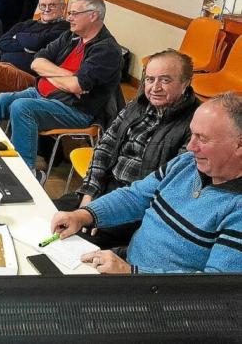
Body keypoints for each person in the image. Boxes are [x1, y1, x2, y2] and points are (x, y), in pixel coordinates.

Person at [51, 92, 242, 274]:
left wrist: (131, 273)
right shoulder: (186, 163)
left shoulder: (237, 208)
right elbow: (136, 197)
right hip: (128, 266)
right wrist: (82, 215)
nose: (191, 146)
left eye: (202, 138)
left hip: (155, 294)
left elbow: (216, 287)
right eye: (192, 135)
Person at [53, 49, 200, 248]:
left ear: (185, 83)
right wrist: (89, 194)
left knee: (77, 243)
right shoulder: (136, 106)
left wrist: (98, 214)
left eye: (165, 80)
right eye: (149, 79)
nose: (154, 87)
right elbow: (104, 149)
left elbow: (165, 185)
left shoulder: (196, 125)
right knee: (49, 215)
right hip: (103, 189)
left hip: (135, 205)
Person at [0, 0, 122, 176]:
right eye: (69, 13)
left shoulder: (106, 49)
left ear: (93, 15)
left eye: (74, 13)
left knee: (22, 106)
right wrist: (67, 75)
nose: (69, 17)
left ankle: (26, 173)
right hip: (42, 93)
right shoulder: (71, 36)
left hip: (77, 109)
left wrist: (50, 73)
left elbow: (77, 86)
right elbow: (36, 62)